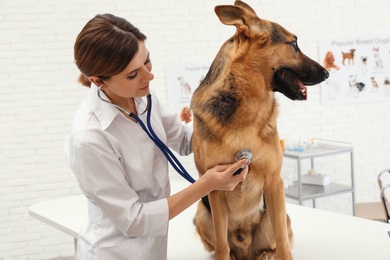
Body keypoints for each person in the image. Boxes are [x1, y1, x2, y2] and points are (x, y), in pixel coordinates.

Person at [64, 13, 248, 260]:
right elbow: (134, 220)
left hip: (154, 248)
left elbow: (183, 140)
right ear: (99, 82)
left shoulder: (144, 97)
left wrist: (230, 123)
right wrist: (206, 185)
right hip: (115, 253)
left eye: (147, 62)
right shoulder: (89, 138)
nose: (149, 76)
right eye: (132, 74)